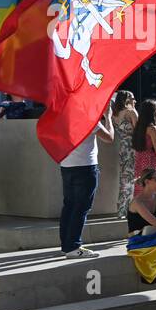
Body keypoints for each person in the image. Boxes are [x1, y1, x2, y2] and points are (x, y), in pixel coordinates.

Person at [59, 104, 115, 259]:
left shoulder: (64, 119)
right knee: (81, 207)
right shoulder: (88, 119)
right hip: (85, 166)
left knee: (69, 205)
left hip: (66, 164)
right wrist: (108, 117)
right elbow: (109, 137)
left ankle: (66, 245)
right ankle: (73, 246)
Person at [131, 99, 156, 200]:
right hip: (152, 161)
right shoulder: (152, 129)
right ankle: (154, 208)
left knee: (142, 186)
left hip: (139, 161)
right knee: (155, 186)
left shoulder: (138, 128)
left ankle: (142, 209)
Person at [111, 90, 138, 218]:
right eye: (132, 97)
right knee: (135, 177)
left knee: (125, 178)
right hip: (133, 147)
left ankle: (122, 209)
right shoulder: (131, 112)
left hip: (123, 147)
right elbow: (139, 131)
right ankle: (133, 209)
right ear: (127, 99)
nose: (135, 100)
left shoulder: (114, 115)